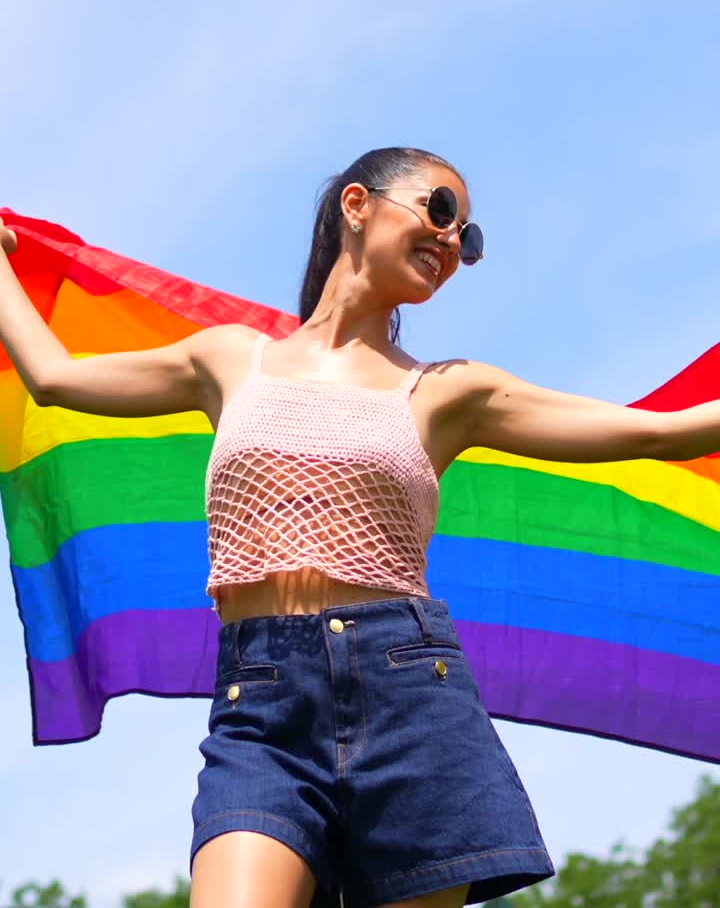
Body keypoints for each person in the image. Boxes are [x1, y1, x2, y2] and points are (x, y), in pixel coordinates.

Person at [1, 144, 697, 908]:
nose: (452, 242)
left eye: (468, 237)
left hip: (410, 694)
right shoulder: (230, 359)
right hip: (262, 705)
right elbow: (56, 376)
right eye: (439, 210)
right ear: (357, 205)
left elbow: (655, 434)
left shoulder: (446, 391)